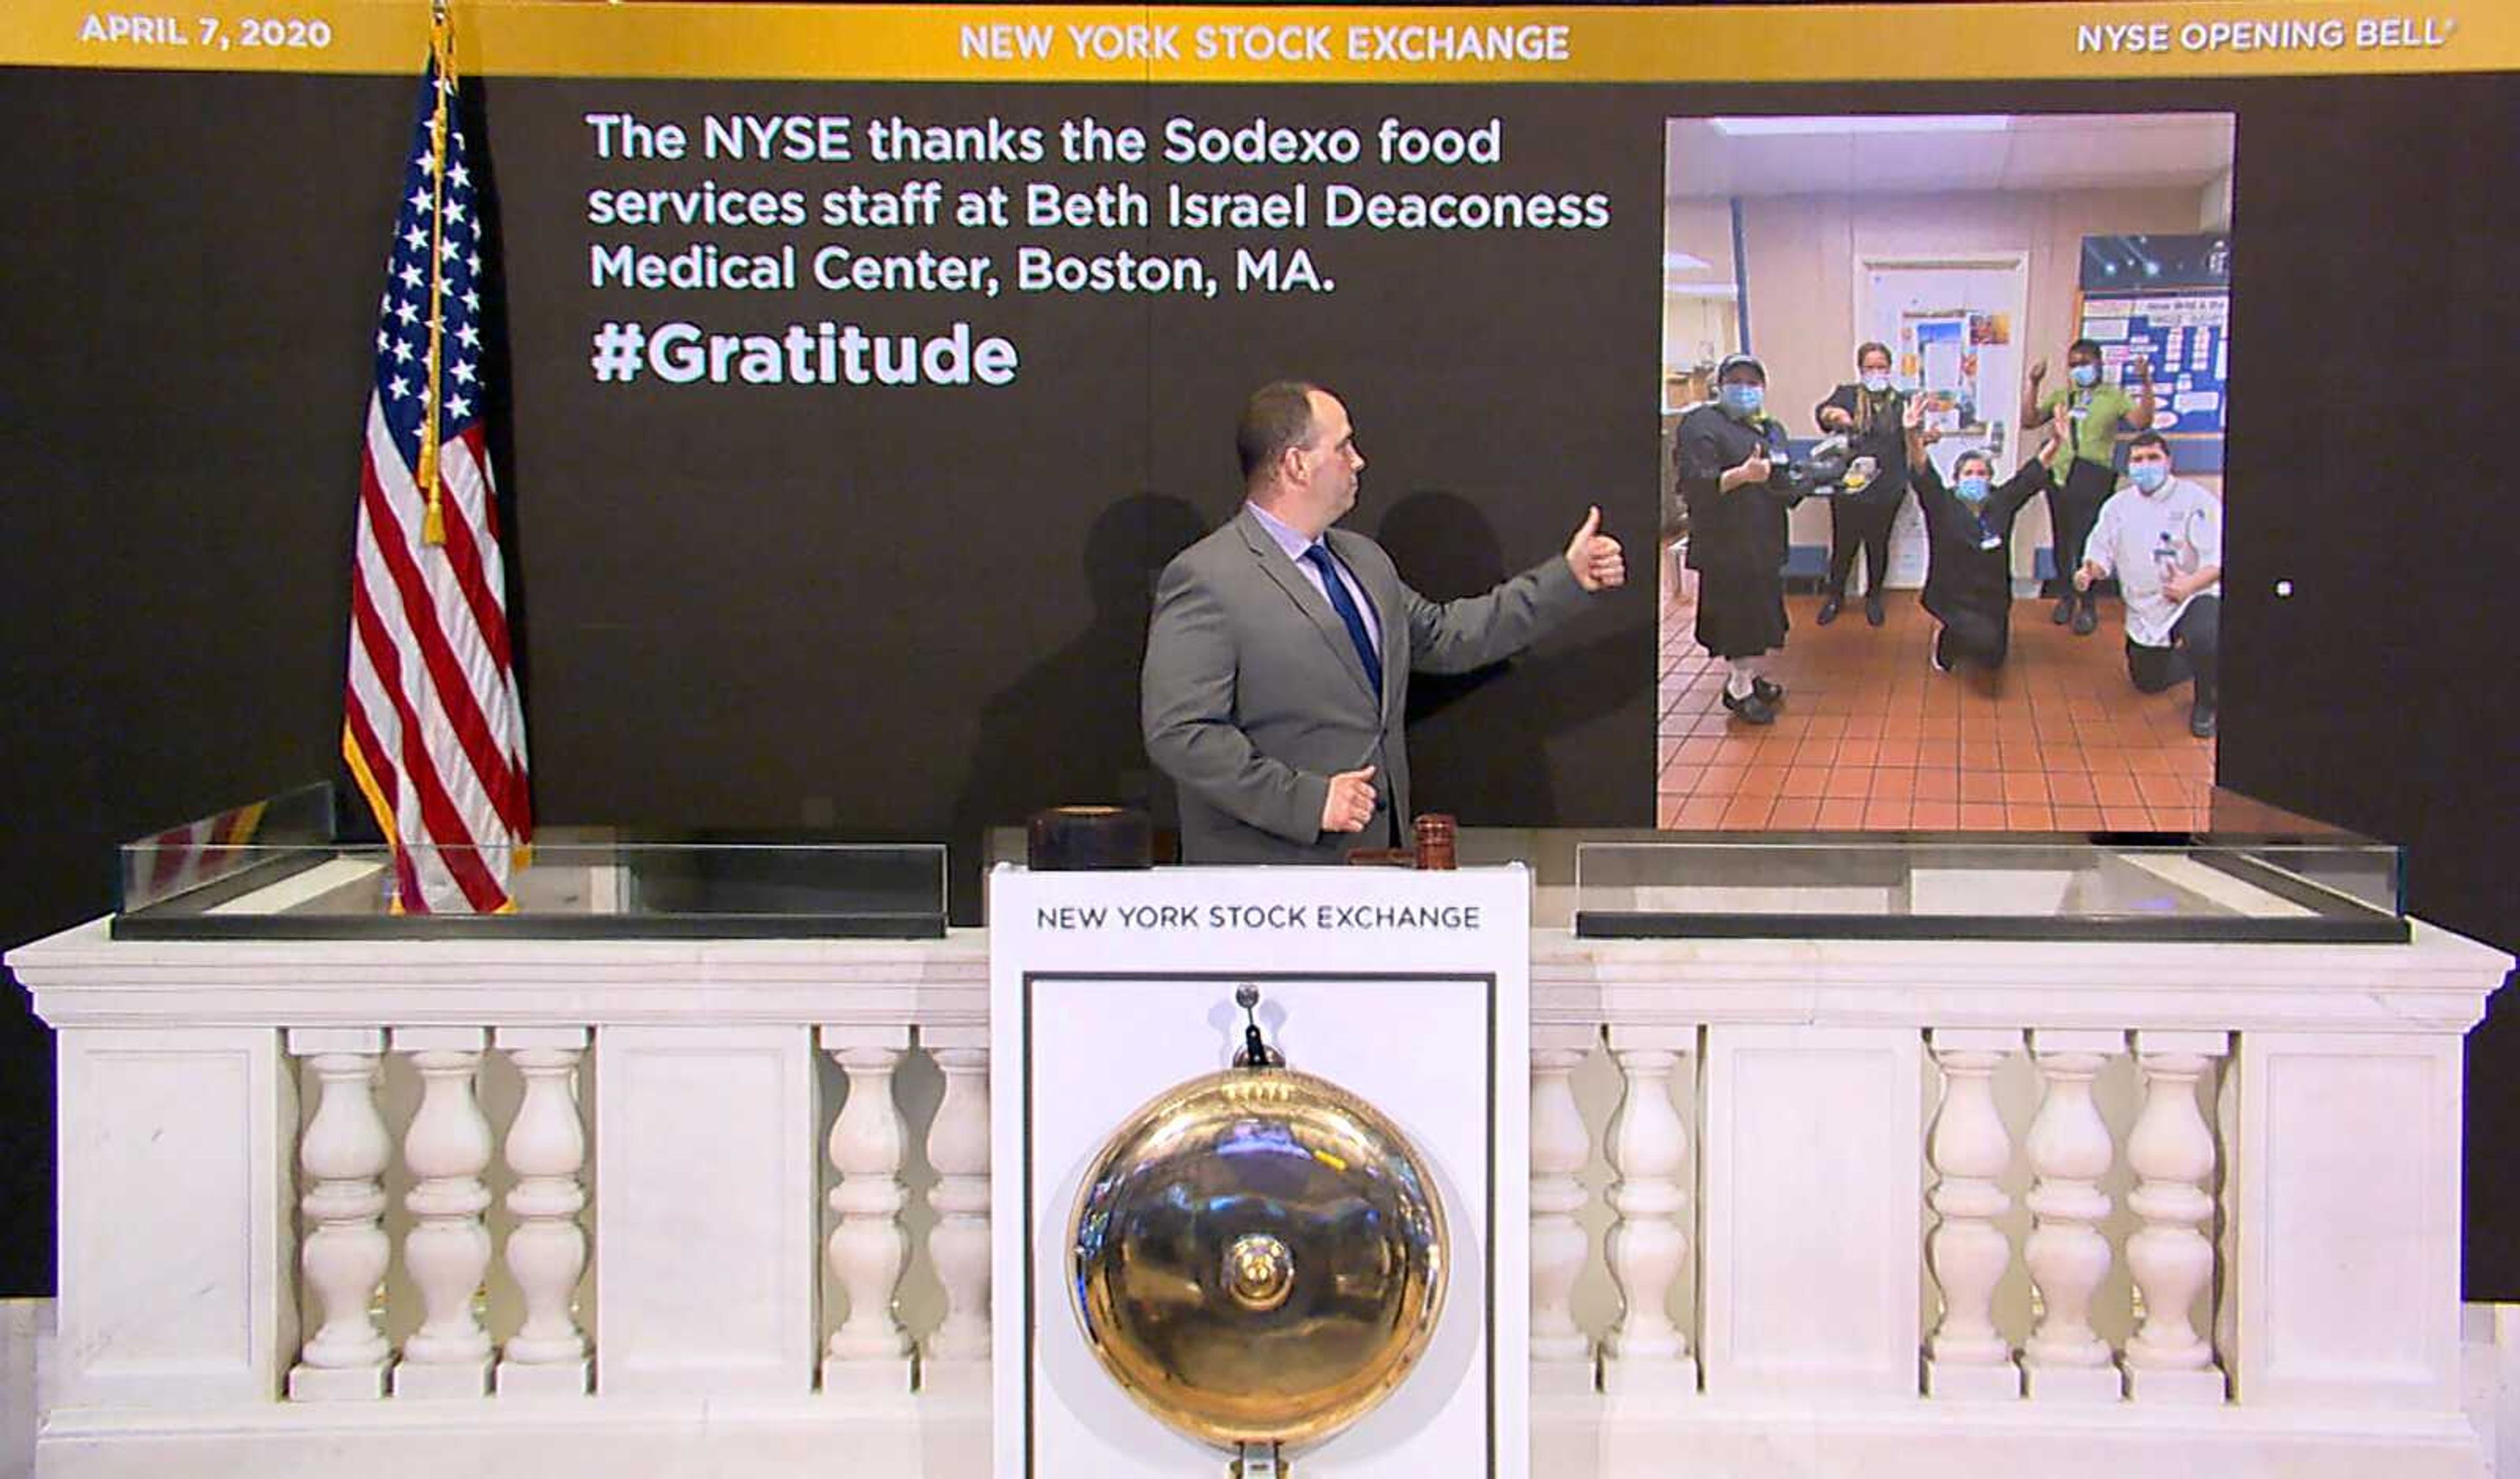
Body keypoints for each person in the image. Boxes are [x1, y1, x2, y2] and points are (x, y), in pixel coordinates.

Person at [1141, 381, 1626, 863]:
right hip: (1270, 880)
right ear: (1296, 464)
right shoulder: (1207, 577)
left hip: (1377, 866)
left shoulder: (1364, 561)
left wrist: (1568, 579)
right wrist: (1305, 801)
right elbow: (1182, 731)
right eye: (1344, 446)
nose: (1358, 461)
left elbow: (1447, 637)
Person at [2072, 431, 2222, 738]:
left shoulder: (2195, 499)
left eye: (2153, 458)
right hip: (2145, 606)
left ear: (2169, 461)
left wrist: (2191, 583)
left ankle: (2208, 701)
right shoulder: (2118, 506)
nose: (2146, 465)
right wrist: (2091, 570)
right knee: (2147, 682)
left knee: (2205, 637)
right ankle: (2193, 661)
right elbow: (2100, 551)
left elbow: (2219, 558)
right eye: (2138, 460)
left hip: (2192, 597)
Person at [1900, 396, 2063, 674]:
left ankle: (1975, 636)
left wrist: (2058, 441)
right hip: (1951, 594)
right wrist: (1912, 434)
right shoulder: (1942, 504)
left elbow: (2031, 475)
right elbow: (1923, 471)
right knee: (1971, 640)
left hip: (1991, 596)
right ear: (1957, 478)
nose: (1976, 478)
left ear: (1990, 479)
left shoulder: (2001, 501)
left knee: (1992, 658)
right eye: (1969, 473)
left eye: (1982, 473)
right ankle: (1948, 638)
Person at [1674, 353, 1795, 724]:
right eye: (1737, 380)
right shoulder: (1701, 424)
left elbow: (1782, 479)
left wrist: (1814, 478)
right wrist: (1741, 475)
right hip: (1726, 545)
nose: (1745, 389)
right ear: (1721, 384)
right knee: (1737, 622)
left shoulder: (1769, 427)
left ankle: (1750, 676)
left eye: (1753, 383)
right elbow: (1695, 485)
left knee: (1760, 617)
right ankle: (1738, 690)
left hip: (1764, 540)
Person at [2024, 338, 2154, 636]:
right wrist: (2033, 384)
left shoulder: (2114, 396)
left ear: (2099, 364)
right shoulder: (2062, 396)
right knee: (2062, 540)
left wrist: (2146, 382)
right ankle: (2066, 598)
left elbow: (2142, 422)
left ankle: (2088, 604)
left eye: (2084, 363)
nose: (2078, 369)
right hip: (2060, 474)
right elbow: (2030, 420)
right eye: (2073, 364)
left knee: (2089, 542)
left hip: (2093, 475)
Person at [1812, 342, 1910, 628]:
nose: (1876, 372)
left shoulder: (1900, 402)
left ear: (1890, 369)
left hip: (1887, 488)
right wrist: (1833, 416)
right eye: (1870, 367)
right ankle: (1835, 597)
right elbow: (1823, 413)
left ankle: (1874, 598)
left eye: (1881, 367)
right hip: (1850, 488)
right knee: (1844, 545)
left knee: (1878, 545)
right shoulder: (1848, 395)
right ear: (1860, 369)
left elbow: (1910, 439)